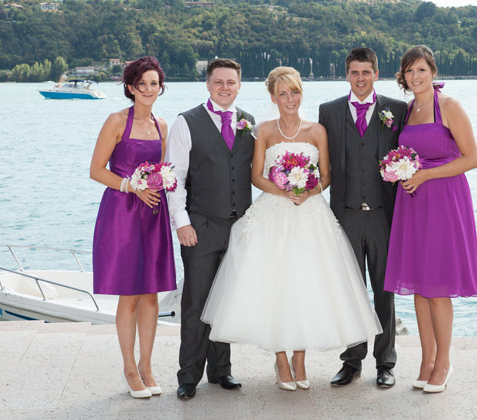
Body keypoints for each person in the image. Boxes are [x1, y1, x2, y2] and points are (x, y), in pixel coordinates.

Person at [201, 66, 382, 392]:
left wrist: (307, 190)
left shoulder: (317, 131)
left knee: (305, 287)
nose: (289, 99)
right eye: (282, 93)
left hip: (310, 215)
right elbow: (256, 176)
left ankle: (300, 359)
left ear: (302, 94)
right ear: (273, 97)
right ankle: (281, 359)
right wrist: (283, 190)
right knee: (276, 288)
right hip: (273, 213)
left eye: (294, 92)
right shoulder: (264, 130)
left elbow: (325, 176)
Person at [384, 45, 477, 393]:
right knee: (418, 285)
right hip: (413, 204)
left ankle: (444, 362)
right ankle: (426, 361)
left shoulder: (449, 106)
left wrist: (425, 175)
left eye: (421, 70)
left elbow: (471, 159)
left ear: (433, 72)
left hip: (444, 201)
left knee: (438, 286)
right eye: (409, 71)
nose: (415, 77)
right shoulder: (409, 109)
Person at [165, 58, 256, 399]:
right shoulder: (186, 122)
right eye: (218, 81)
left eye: (230, 82)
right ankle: (188, 375)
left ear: (239, 85)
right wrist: (182, 223)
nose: (224, 87)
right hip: (199, 227)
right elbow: (174, 179)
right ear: (207, 84)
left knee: (227, 301)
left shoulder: (249, 122)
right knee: (196, 303)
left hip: (238, 228)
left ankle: (222, 371)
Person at [318, 47, 407, 388]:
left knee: (385, 293)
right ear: (347, 75)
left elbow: (408, 155)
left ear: (376, 74)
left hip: (385, 216)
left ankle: (385, 363)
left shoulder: (396, 110)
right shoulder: (328, 111)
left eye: (366, 72)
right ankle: (351, 362)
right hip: (346, 217)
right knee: (351, 292)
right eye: (354, 72)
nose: (360, 78)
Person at [90, 56, 176, 399]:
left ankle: (147, 365)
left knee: (151, 293)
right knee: (130, 293)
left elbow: (165, 170)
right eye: (142, 84)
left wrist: (161, 185)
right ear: (131, 88)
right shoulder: (115, 121)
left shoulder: (163, 126)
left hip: (153, 214)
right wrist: (131, 186)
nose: (149, 90)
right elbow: (96, 170)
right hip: (123, 213)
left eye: (154, 84)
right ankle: (129, 367)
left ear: (160, 88)